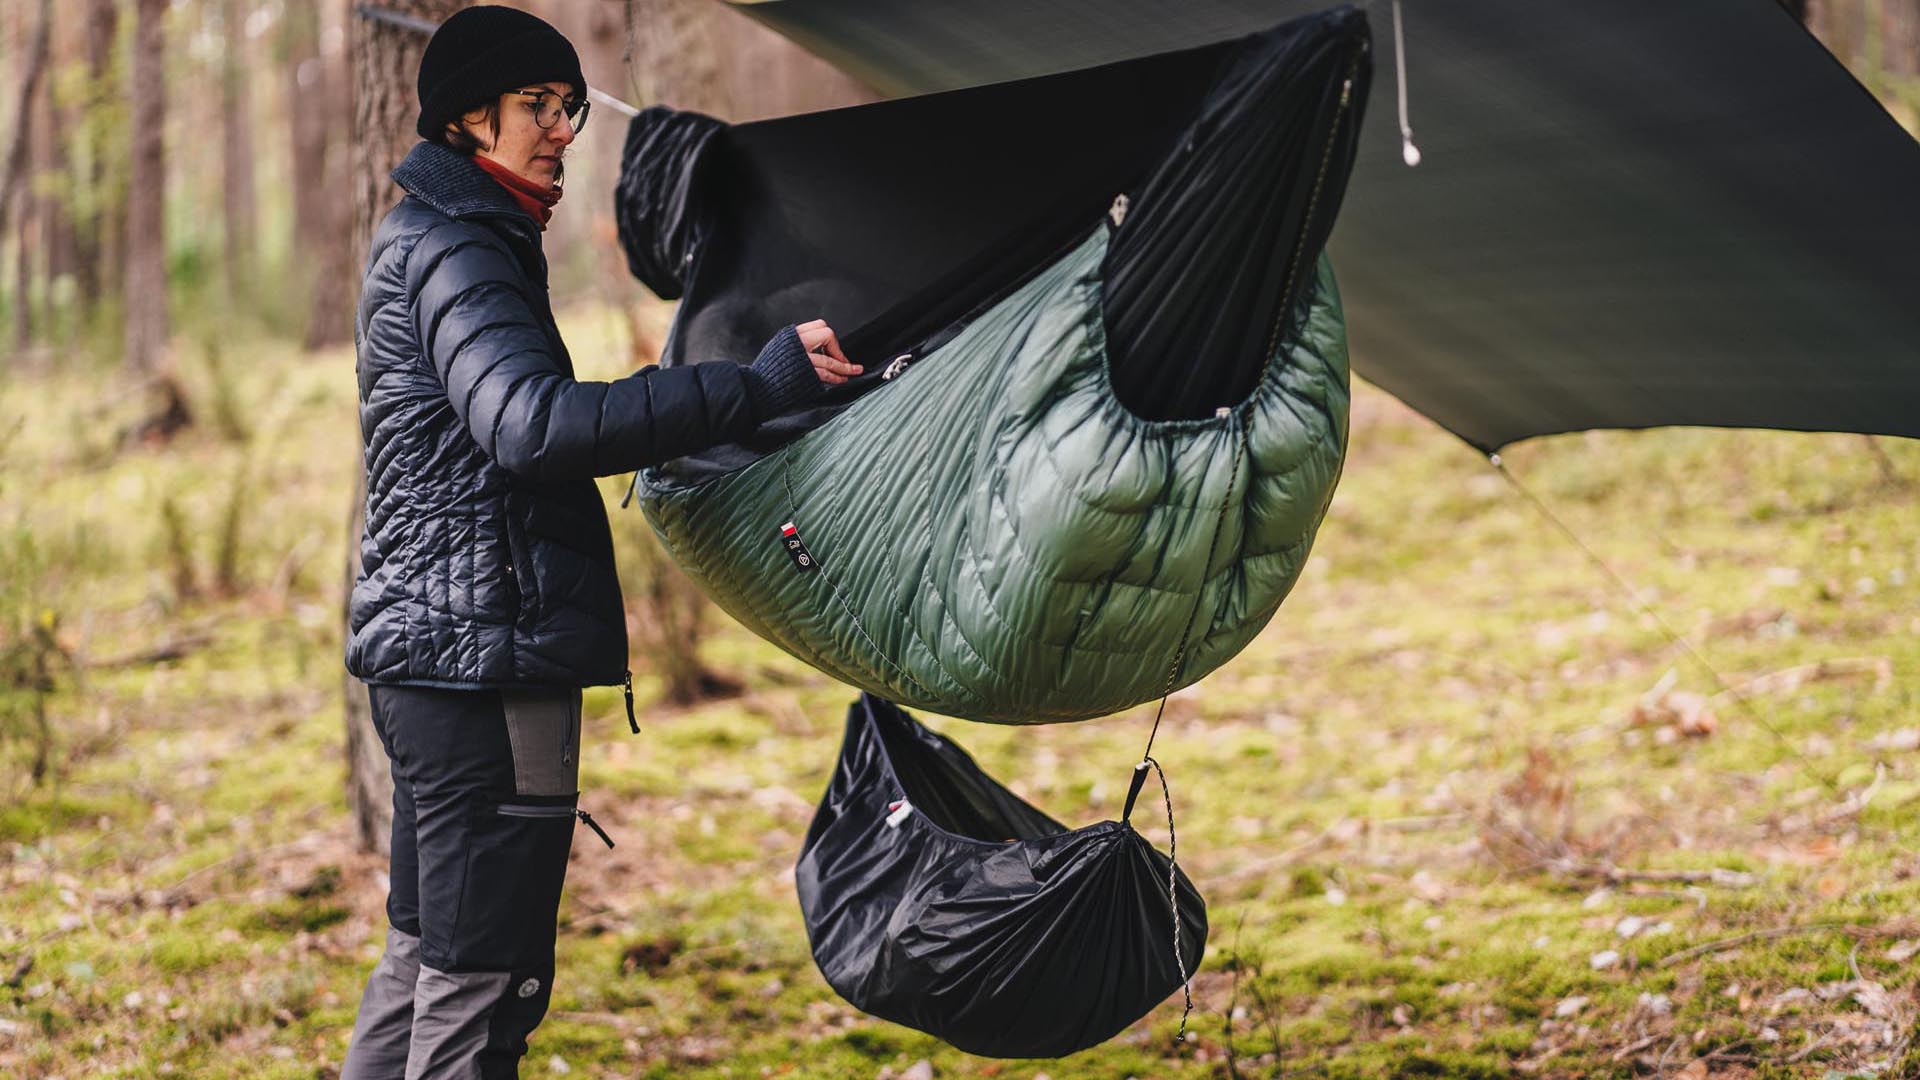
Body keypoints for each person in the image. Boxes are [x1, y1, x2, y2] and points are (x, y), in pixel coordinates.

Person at [339, 7, 860, 1076]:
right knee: (485, 984)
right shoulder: (456, 248)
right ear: (466, 118)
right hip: (486, 669)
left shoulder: (447, 234)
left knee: (426, 963)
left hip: (438, 665)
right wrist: (750, 388)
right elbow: (534, 425)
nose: (564, 127)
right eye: (537, 104)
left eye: (570, 105)